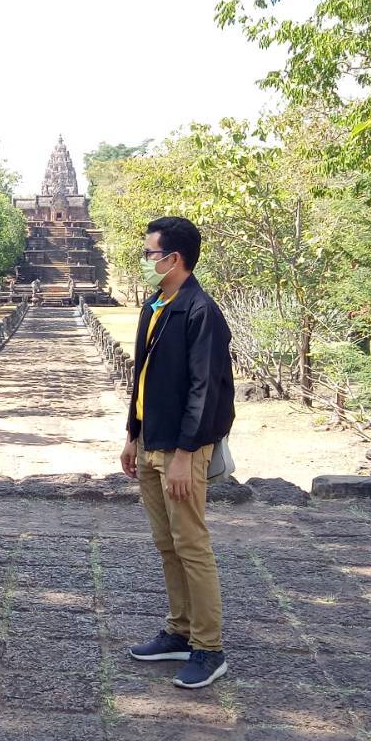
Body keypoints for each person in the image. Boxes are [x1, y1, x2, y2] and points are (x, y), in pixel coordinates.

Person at [121, 216, 235, 689]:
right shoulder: (157, 306)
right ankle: (180, 629)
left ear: (174, 259)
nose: (146, 261)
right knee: (167, 543)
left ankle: (209, 648)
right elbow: (142, 377)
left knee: (192, 544)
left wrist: (187, 453)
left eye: (151, 254)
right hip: (151, 438)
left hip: (183, 446)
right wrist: (132, 433)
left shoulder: (200, 311)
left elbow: (204, 390)